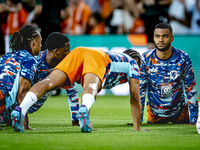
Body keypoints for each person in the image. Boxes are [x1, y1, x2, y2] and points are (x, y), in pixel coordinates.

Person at [11, 46, 147, 133]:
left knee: (49, 81)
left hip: (79, 52)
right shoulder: (133, 64)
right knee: (92, 86)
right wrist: (137, 128)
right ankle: (84, 109)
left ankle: (20, 109)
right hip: (97, 57)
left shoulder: (118, 57)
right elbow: (135, 97)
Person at [140, 22, 198, 124]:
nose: (161, 40)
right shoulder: (145, 58)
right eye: (157, 36)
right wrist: (138, 120)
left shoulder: (183, 58)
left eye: (165, 36)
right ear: (153, 38)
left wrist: (194, 119)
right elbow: (140, 91)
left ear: (172, 38)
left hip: (180, 113)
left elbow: (191, 89)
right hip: (155, 114)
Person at [0, 25, 41, 128]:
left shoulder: (6, 56)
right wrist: (25, 125)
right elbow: (22, 94)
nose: (41, 45)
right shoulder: (29, 60)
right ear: (34, 42)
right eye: (41, 41)